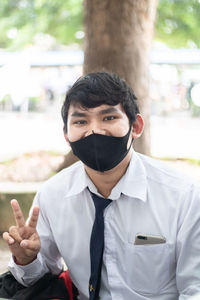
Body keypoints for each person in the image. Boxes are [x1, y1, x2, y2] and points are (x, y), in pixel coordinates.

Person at [2, 72, 200, 300]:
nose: (94, 130)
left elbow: (195, 289)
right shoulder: (52, 195)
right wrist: (26, 259)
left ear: (135, 126)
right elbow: (39, 280)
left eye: (108, 118)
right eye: (80, 121)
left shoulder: (184, 196)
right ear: (66, 135)